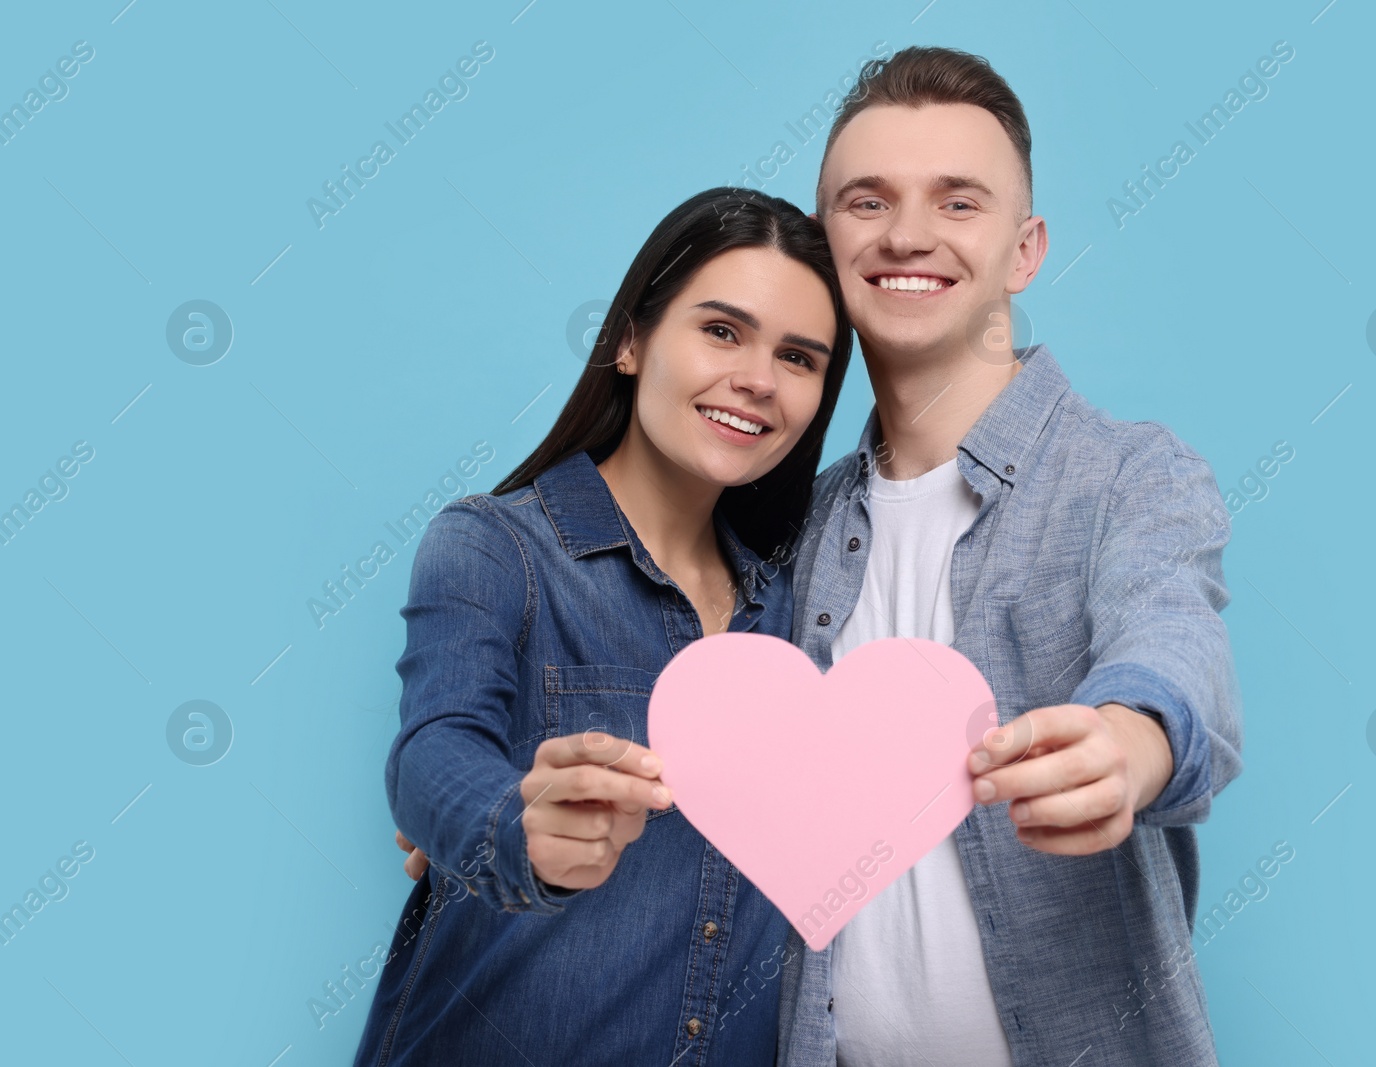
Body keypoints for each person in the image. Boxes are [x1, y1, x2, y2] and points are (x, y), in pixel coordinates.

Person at [769, 47, 1244, 1066]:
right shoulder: (787, 533)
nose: (907, 234)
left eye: (957, 202)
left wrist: (1127, 742)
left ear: (1024, 250)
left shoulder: (1130, 476)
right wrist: (486, 808)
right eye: (867, 201)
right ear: (820, 245)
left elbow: (1173, 635)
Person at [352, 187, 853, 1066]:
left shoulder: (797, 612)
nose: (759, 380)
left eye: (801, 357)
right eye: (722, 331)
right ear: (630, 340)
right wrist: (514, 825)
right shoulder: (496, 548)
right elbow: (432, 750)